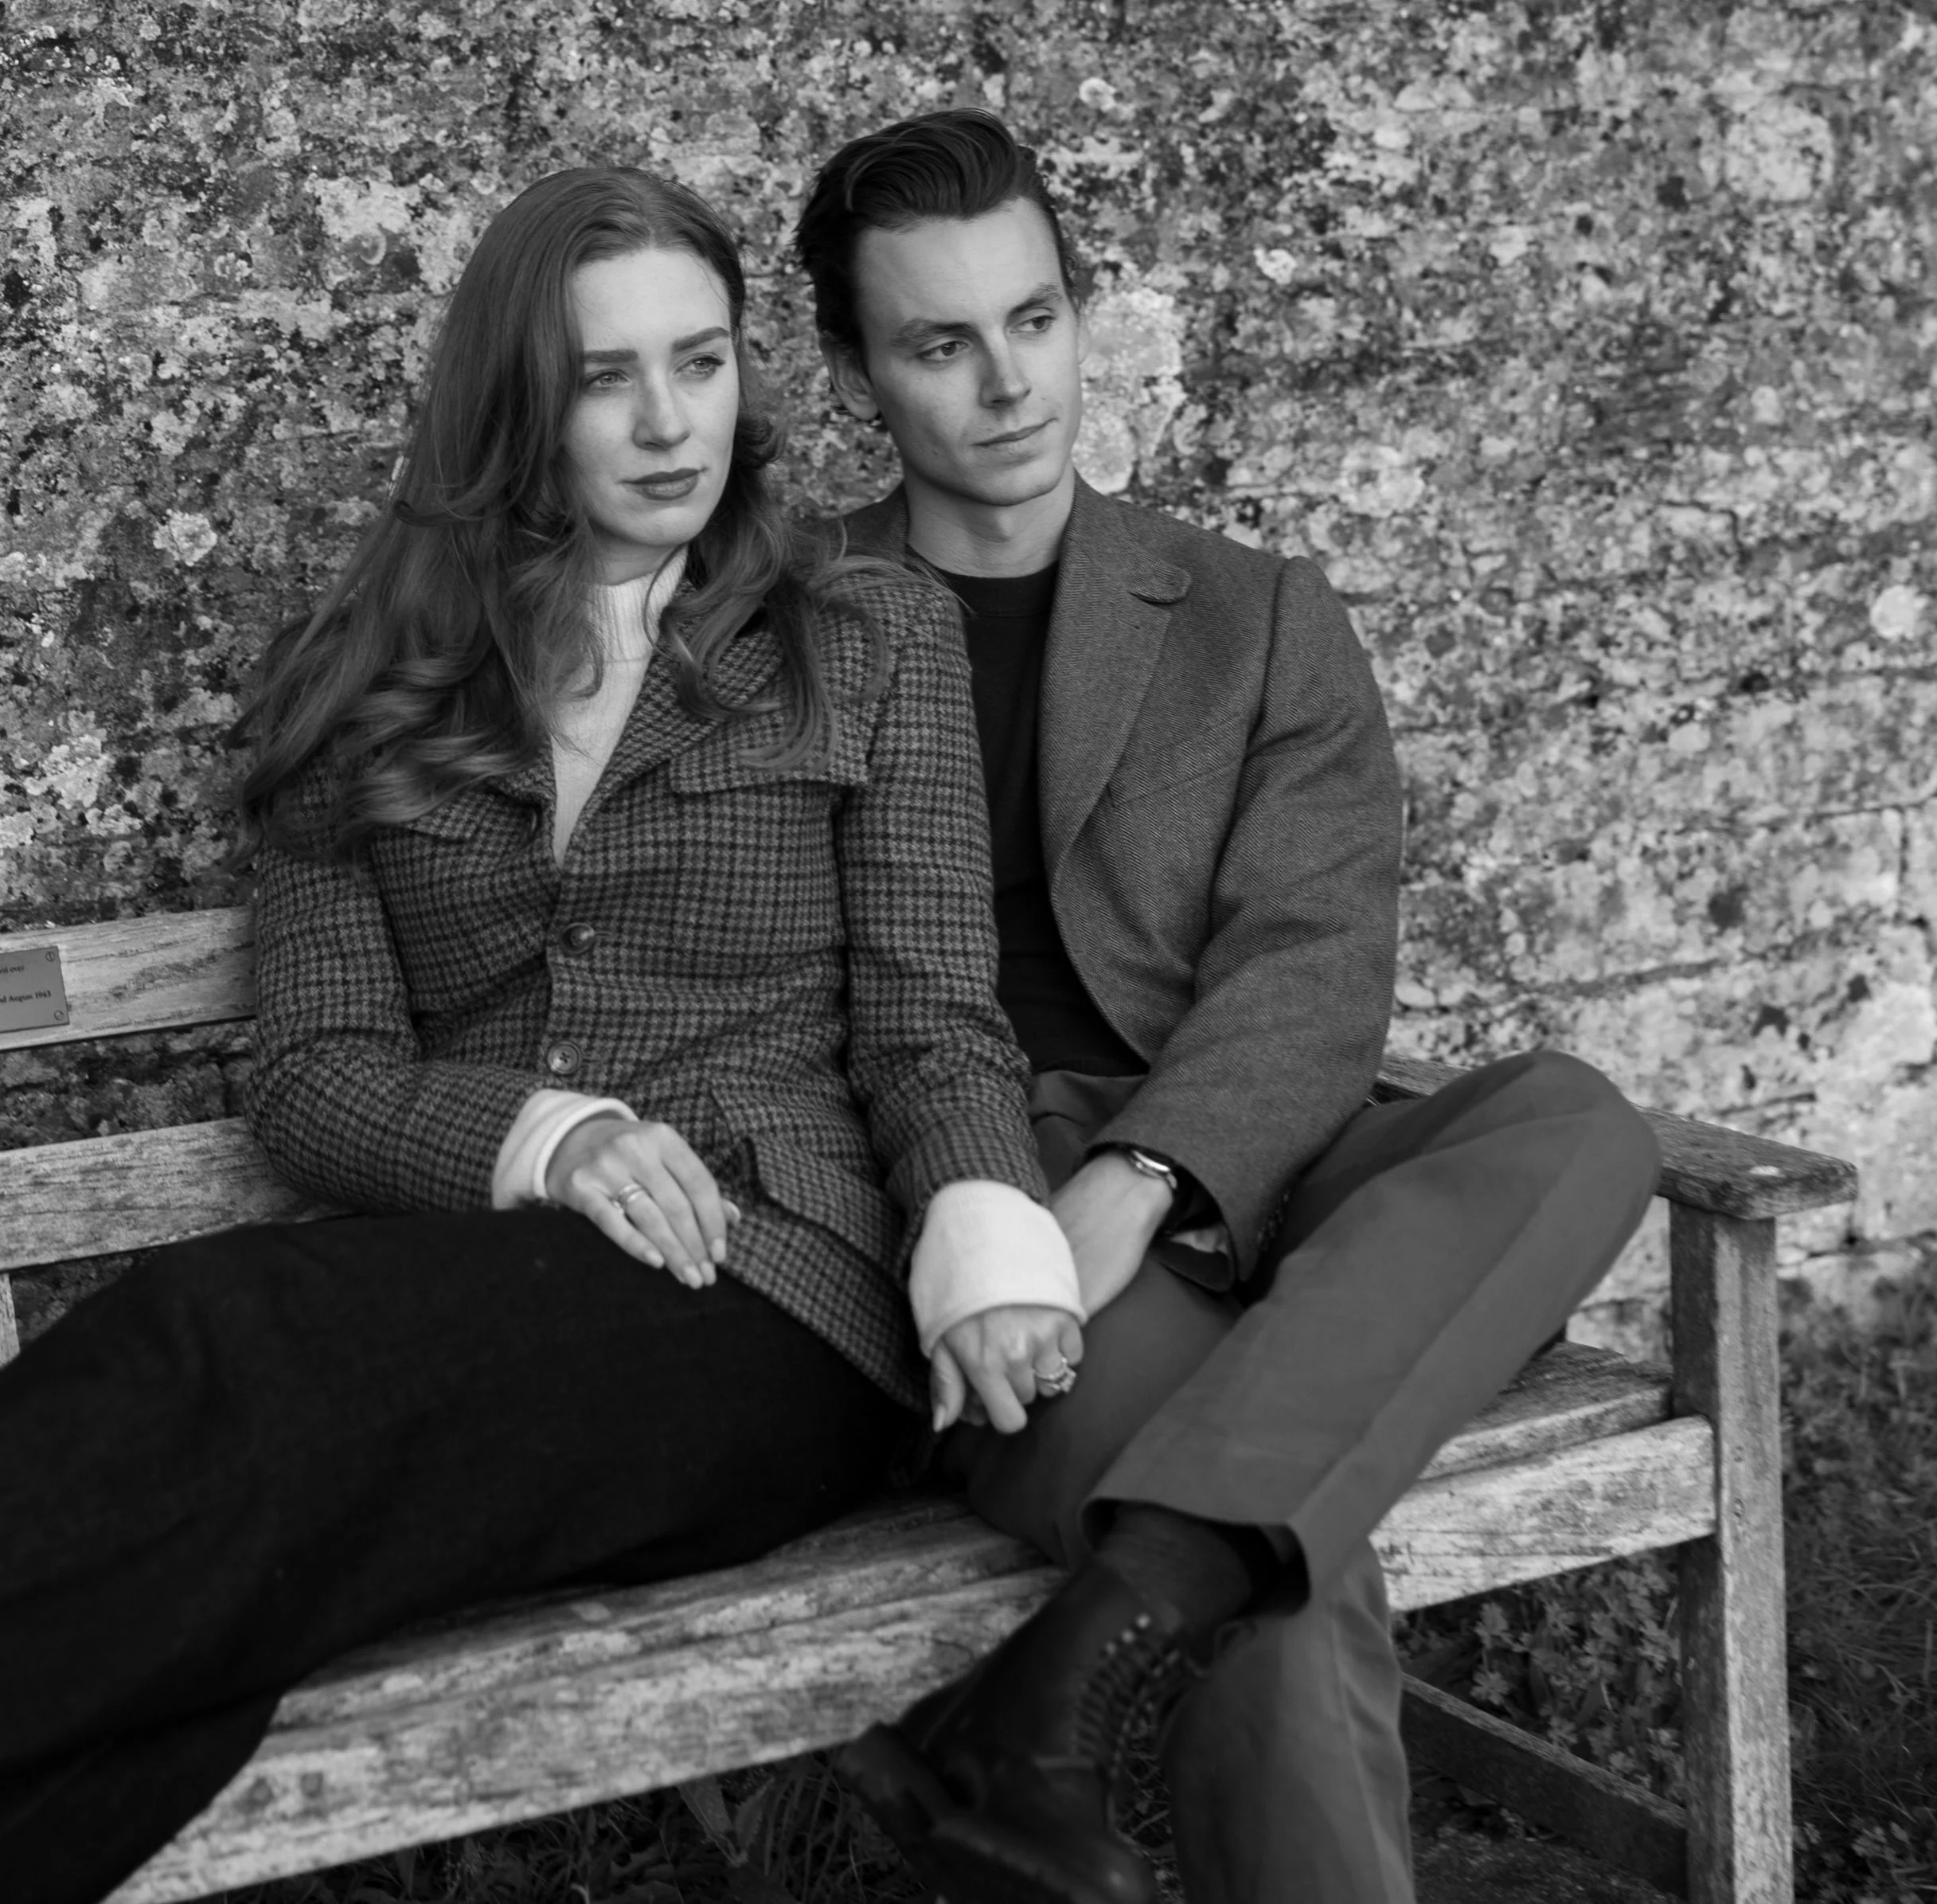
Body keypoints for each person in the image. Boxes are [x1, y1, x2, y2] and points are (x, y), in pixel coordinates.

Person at [0, 165, 1084, 1904]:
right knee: (216, 1594)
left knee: (238, 1356)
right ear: (518, 400)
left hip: (769, 1292)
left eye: (704, 362)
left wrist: (985, 1234)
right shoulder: (358, 682)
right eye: (605, 377)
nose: (670, 425)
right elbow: (314, 1075)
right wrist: (549, 1136)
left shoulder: (866, 638)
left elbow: (932, 1026)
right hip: (472, 1290)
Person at [793, 110, 1662, 1904]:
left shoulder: (1251, 614)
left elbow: (1313, 959)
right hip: (981, 1199)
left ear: (1079, 307)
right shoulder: (781, 626)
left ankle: (1048, 1672)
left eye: (1032, 320)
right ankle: (1109, 1637)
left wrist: (1148, 1178)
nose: (1007, 387)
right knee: (1264, 1567)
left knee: (1573, 1116)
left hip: (1244, 1152)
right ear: (852, 369)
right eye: (939, 345)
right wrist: (1027, 1215)